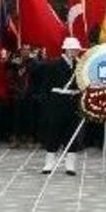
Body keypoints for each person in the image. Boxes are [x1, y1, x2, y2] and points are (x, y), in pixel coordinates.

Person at [40, 37, 84, 174]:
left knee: (72, 134)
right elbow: (45, 86)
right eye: (73, 49)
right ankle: (49, 163)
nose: (76, 52)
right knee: (53, 132)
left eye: (77, 50)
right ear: (66, 50)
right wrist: (47, 105)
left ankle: (70, 165)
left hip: (73, 102)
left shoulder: (80, 66)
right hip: (57, 103)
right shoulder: (54, 64)